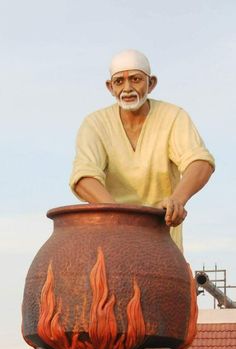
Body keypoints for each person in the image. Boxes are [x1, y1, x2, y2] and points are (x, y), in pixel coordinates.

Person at [69, 49, 215, 251]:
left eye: (136, 79)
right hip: (112, 241)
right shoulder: (95, 124)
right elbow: (84, 176)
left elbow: (199, 162)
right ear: (110, 87)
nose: (127, 88)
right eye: (119, 82)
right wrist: (121, 218)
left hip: (162, 238)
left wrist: (178, 199)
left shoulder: (173, 116)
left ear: (151, 83)